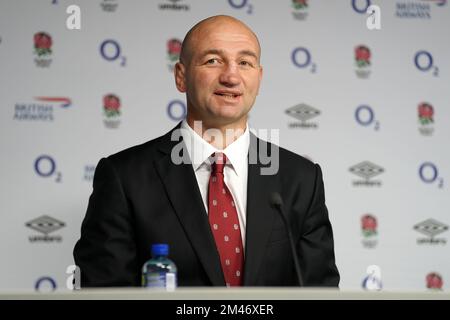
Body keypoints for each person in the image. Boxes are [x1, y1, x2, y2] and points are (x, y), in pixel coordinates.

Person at [73, 15, 339, 287]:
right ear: (181, 76)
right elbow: (104, 290)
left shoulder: (302, 179)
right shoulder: (124, 177)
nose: (231, 76)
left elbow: (320, 290)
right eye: (213, 60)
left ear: (259, 79)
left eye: (245, 63)